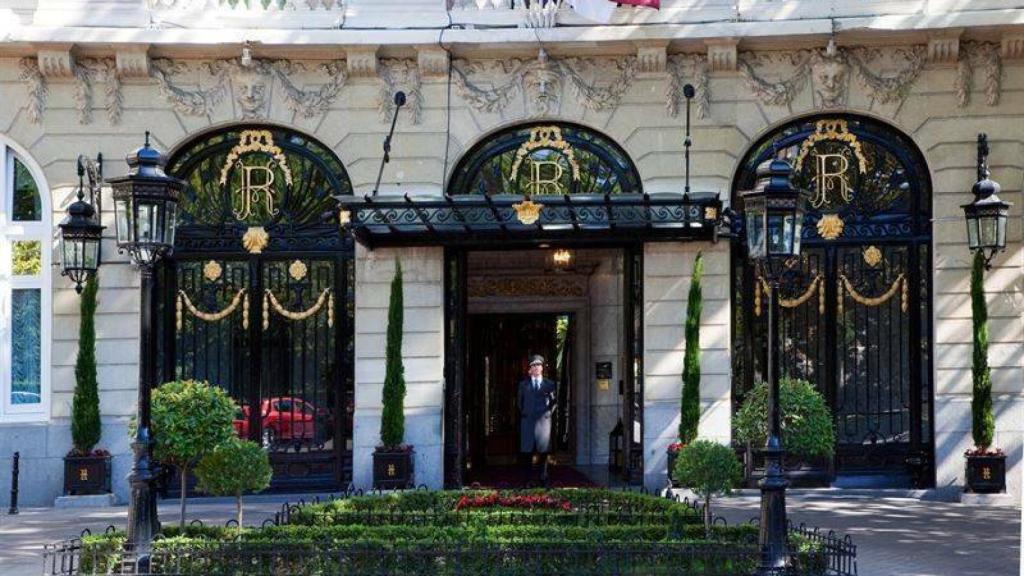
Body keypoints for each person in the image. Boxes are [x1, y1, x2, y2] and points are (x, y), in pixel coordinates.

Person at [517, 354, 557, 485]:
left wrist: (548, 414)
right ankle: (527, 480)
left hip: (543, 423)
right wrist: (525, 413)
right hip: (527, 422)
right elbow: (519, 402)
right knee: (527, 453)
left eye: (538, 365)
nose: (536, 368)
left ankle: (543, 478)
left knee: (543, 453)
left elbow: (554, 402)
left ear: (542, 367)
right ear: (529, 368)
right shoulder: (523, 385)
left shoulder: (549, 384)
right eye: (533, 365)